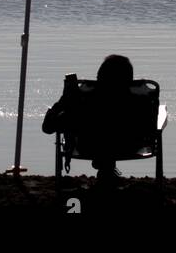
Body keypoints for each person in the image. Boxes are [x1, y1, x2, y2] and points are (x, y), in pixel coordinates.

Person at [42, 54, 137, 184]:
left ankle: (106, 170)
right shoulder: (138, 101)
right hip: (129, 146)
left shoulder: (83, 100)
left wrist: (63, 102)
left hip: (88, 146)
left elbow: (48, 127)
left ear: (101, 76)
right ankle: (108, 171)